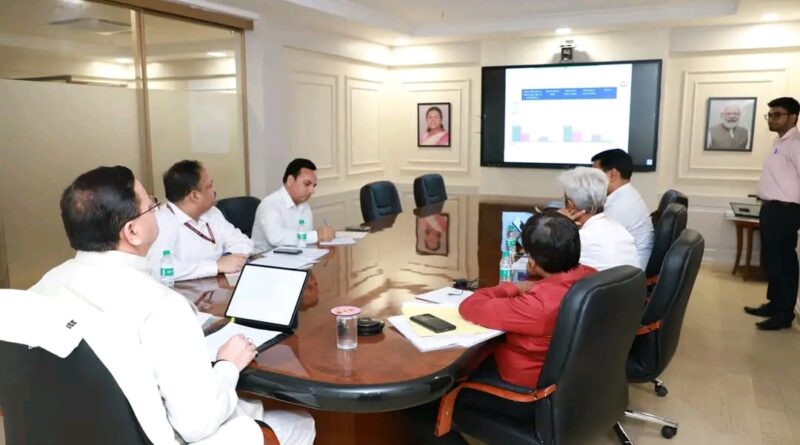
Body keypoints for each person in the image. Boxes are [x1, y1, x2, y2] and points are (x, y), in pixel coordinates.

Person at [30, 166, 315, 444]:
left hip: (79, 431)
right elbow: (197, 423)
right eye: (151, 205)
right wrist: (228, 365)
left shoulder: (44, 286)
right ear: (133, 231)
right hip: (159, 435)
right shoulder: (161, 306)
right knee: (300, 423)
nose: (158, 210)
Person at [459, 211, 597, 388]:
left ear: (531, 261)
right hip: (576, 377)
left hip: (527, 385)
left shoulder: (538, 305)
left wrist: (515, 287)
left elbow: (470, 306)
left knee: (457, 374)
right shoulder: (593, 276)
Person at [744, 96, 800, 330]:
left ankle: (784, 314)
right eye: (770, 115)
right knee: (772, 260)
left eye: (777, 115)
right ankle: (774, 304)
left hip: (785, 211)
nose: (772, 119)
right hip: (771, 209)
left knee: (784, 262)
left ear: (793, 117)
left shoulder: (796, 144)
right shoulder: (779, 142)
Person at [148, 160, 253, 281]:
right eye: (210, 186)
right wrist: (215, 266)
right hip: (180, 291)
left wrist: (229, 258)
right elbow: (160, 269)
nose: (214, 190)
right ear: (195, 196)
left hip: (214, 286)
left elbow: (244, 242)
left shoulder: (213, 213)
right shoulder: (161, 222)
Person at [557, 166, 640, 271]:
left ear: (570, 205)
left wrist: (557, 223)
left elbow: (545, 266)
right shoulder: (620, 229)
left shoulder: (580, 240)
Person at [252, 158, 334, 252]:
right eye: (307, 184)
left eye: (313, 186)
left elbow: (306, 241)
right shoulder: (270, 204)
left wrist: (324, 236)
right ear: (290, 180)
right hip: (265, 259)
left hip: (297, 257)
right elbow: (275, 238)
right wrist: (316, 235)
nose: (312, 191)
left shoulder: (305, 206)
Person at [591, 148, 655, 269]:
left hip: (628, 271)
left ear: (612, 175)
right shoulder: (626, 195)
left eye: (594, 176)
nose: (591, 181)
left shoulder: (620, 205)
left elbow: (592, 241)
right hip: (627, 265)